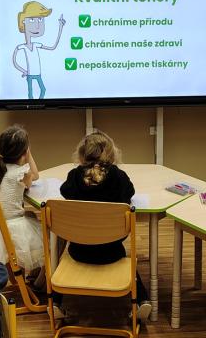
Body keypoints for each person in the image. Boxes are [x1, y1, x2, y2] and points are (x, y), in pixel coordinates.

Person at [52, 130, 152, 322]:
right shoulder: (119, 177)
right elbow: (129, 193)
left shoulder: (74, 176)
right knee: (130, 264)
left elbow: (65, 192)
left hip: (79, 250)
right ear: (111, 153)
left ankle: (55, 301)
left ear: (82, 154)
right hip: (112, 250)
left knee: (64, 258)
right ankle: (142, 300)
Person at [0, 124, 44, 282]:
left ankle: (18, 280)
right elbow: (36, 176)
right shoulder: (21, 173)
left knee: (30, 215)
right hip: (12, 227)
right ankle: (33, 281)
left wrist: (25, 151)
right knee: (44, 237)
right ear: (24, 151)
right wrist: (29, 153)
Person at [12, 0, 66, 100]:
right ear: (23, 21)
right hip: (30, 75)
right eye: (32, 19)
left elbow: (53, 47)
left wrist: (60, 28)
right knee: (30, 94)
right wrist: (24, 71)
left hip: (38, 74)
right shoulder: (21, 47)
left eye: (40, 19)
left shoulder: (36, 45)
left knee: (43, 90)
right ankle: (33, 107)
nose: (37, 26)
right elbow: (14, 61)